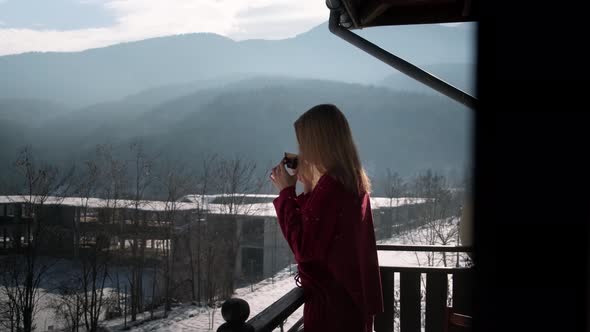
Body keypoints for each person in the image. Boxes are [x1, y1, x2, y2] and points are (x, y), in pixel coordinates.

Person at [270, 104, 383, 332]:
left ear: (317, 144)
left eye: (304, 143)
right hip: (351, 305)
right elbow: (321, 231)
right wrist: (310, 186)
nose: (301, 150)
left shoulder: (332, 188)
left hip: (331, 312)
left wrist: (286, 193)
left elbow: (304, 248)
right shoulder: (352, 182)